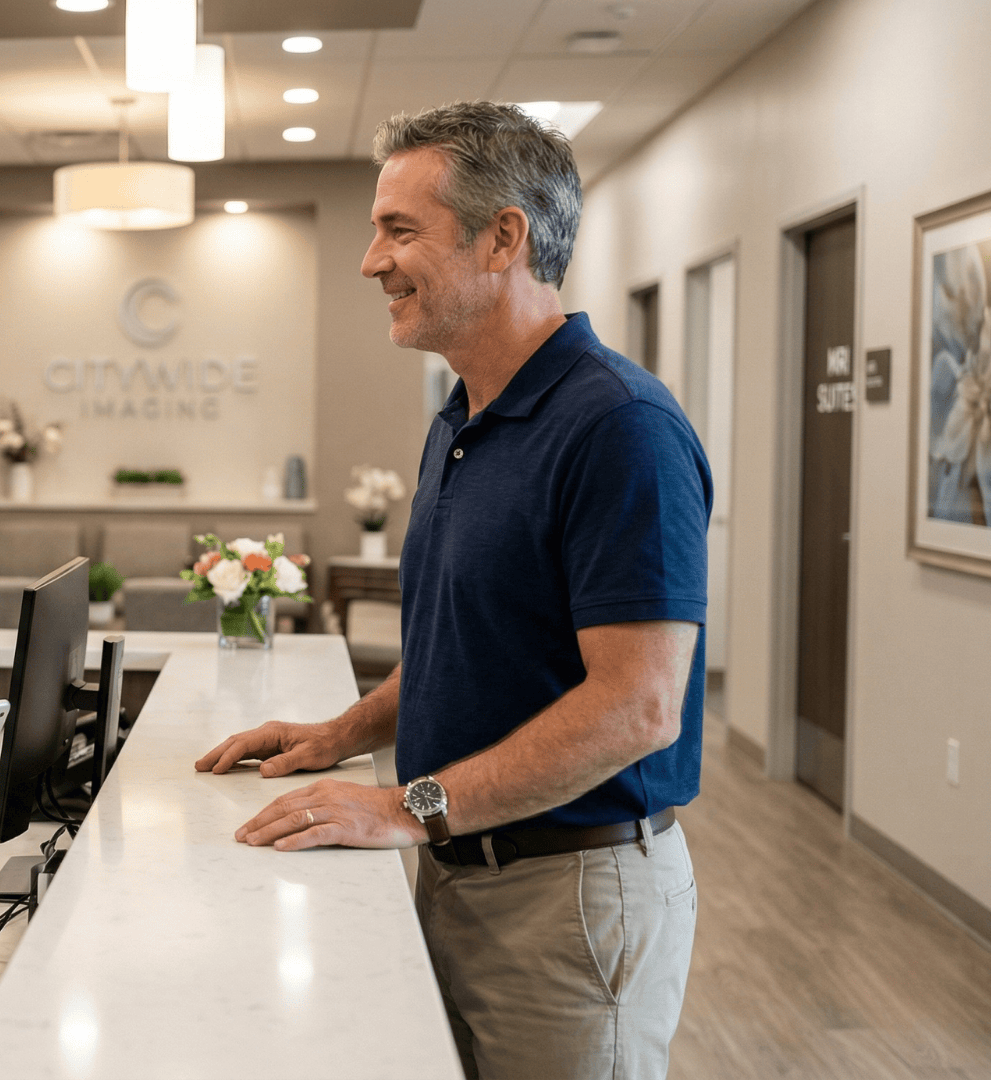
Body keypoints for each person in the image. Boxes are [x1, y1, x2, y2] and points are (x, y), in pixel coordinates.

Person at [195, 101, 710, 1080]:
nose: (370, 261)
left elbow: (638, 707)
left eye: (399, 229)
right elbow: (465, 646)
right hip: (457, 858)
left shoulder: (619, 427)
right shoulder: (463, 417)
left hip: (567, 898)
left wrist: (402, 807)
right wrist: (338, 735)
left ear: (502, 237)